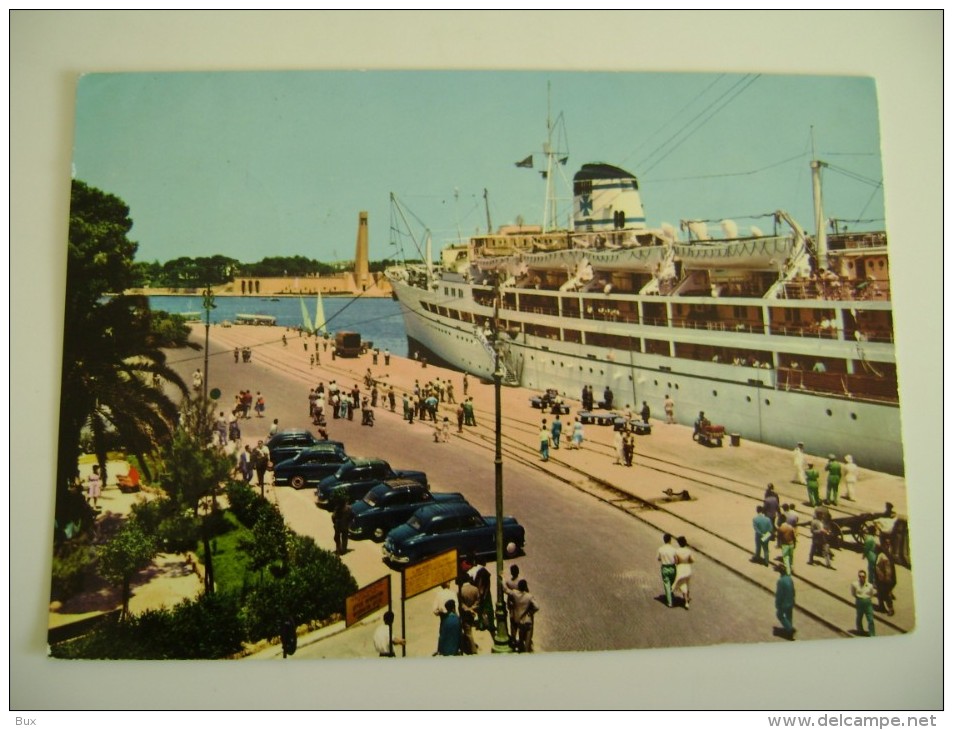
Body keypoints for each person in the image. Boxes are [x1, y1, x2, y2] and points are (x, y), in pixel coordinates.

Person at [505, 579, 540, 653]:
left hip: (519, 621)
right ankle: (526, 651)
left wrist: (501, 578)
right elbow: (537, 607)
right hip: (527, 621)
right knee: (527, 641)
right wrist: (531, 612)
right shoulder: (529, 596)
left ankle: (521, 650)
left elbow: (505, 589)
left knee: (521, 639)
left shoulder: (514, 593)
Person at [851, 570, 876, 636]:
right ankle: (860, 630)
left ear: (865, 577)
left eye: (863, 576)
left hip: (867, 602)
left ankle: (872, 633)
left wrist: (867, 599)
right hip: (859, 601)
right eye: (860, 576)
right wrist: (859, 598)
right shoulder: (855, 584)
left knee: (870, 618)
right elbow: (853, 593)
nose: (861, 578)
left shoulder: (870, 585)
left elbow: (871, 594)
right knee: (859, 617)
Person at [774, 563, 796, 640]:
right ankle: (788, 630)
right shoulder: (790, 579)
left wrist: (777, 604)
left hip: (784, 603)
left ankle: (789, 629)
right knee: (789, 615)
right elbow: (793, 591)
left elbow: (779, 594)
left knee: (779, 615)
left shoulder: (780, 581)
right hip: (791, 601)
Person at [874, 545, 896, 616]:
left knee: (886, 594)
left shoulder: (882, 557)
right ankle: (881, 606)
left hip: (884, 579)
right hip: (880, 579)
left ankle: (891, 609)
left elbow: (887, 569)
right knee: (880, 593)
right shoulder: (879, 556)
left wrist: (887, 578)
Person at [673, 536, 694, 609]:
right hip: (688, 568)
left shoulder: (677, 551)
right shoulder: (689, 551)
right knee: (687, 584)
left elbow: (676, 561)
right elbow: (692, 560)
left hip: (681, 568)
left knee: (682, 585)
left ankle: (686, 602)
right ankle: (687, 597)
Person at [657, 533, 678, 608]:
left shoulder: (661, 549)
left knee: (667, 585)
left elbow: (659, 559)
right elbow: (676, 560)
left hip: (665, 568)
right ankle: (671, 595)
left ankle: (670, 602)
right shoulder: (673, 549)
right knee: (671, 583)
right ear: (670, 540)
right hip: (672, 568)